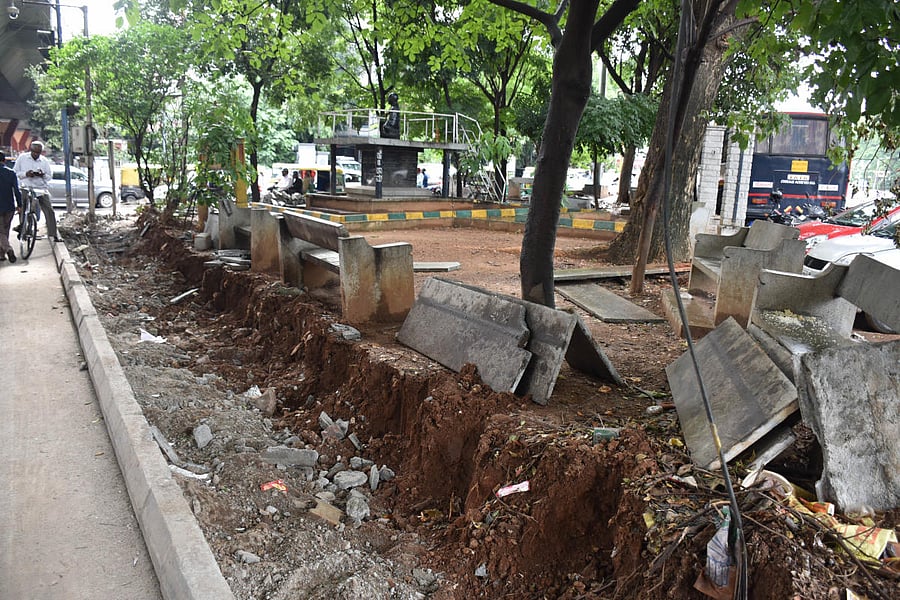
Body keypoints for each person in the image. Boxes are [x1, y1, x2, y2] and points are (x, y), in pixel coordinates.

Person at [14, 141, 59, 242]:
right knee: (24, 208)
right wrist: (26, 174)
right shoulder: (22, 158)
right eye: (34, 152)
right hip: (26, 187)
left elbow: (49, 176)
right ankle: (24, 230)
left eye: (38, 152)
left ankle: (53, 234)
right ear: (31, 150)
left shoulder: (44, 161)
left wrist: (42, 175)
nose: (36, 154)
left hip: (40, 188)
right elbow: (15, 172)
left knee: (49, 210)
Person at [0, 151, 22, 263]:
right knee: (5, 230)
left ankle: (8, 249)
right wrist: (20, 205)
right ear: (4, 161)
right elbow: (17, 191)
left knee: (1, 232)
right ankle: (1, 254)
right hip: (9, 206)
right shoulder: (11, 173)